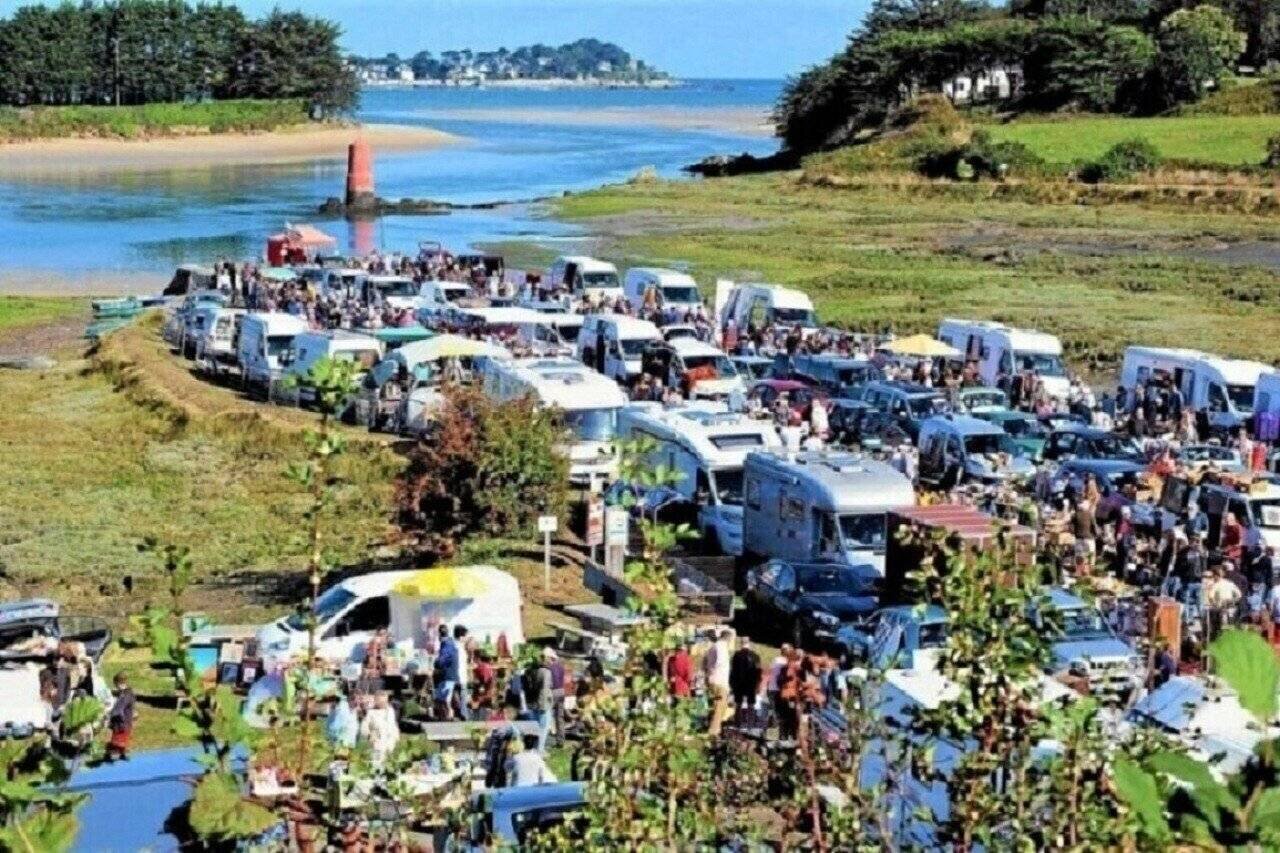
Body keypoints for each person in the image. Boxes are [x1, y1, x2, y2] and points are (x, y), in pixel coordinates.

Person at [360, 691, 400, 766]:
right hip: (377, 743)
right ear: (376, 701)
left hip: (390, 743)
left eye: (385, 701)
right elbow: (363, 727)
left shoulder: (391, 711)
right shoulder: (371, 713)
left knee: (390, 766)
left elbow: (393, 724)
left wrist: (396, 736)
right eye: (381, 701)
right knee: (377, 766)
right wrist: (369, 735)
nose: (383, 703)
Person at [705, 629, 732, 737]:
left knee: (717, 704)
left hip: (713, 679)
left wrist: (708, 673)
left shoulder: (713, 646)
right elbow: (720, 661)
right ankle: (714, 730)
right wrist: (714, 670)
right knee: (720, 706)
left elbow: (705, 661)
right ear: (728, 638)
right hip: (720, 680)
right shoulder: (722, 647)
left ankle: (714, 727)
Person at [105, 673, 135, 762]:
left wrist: (108, 714)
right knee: (121, 738)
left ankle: (116, 753)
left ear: (119, 683)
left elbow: (119, 709)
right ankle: (122, 752)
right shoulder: (126, 693)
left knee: (118, 740)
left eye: (116, 685)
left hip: (122, 722)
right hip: (123, 722)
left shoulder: (126, 695)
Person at [728, 637, 762, 714]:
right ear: (749, 643)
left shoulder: (736, 655)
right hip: (751, 683)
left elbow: (732, 670)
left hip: (738, 683)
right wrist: (758, 684)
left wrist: (731, 683)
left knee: (738, 703)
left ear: (741, 643)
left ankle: (738, 723)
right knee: (751, 703)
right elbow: (759, 671)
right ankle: (750, 723)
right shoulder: (755, 655)